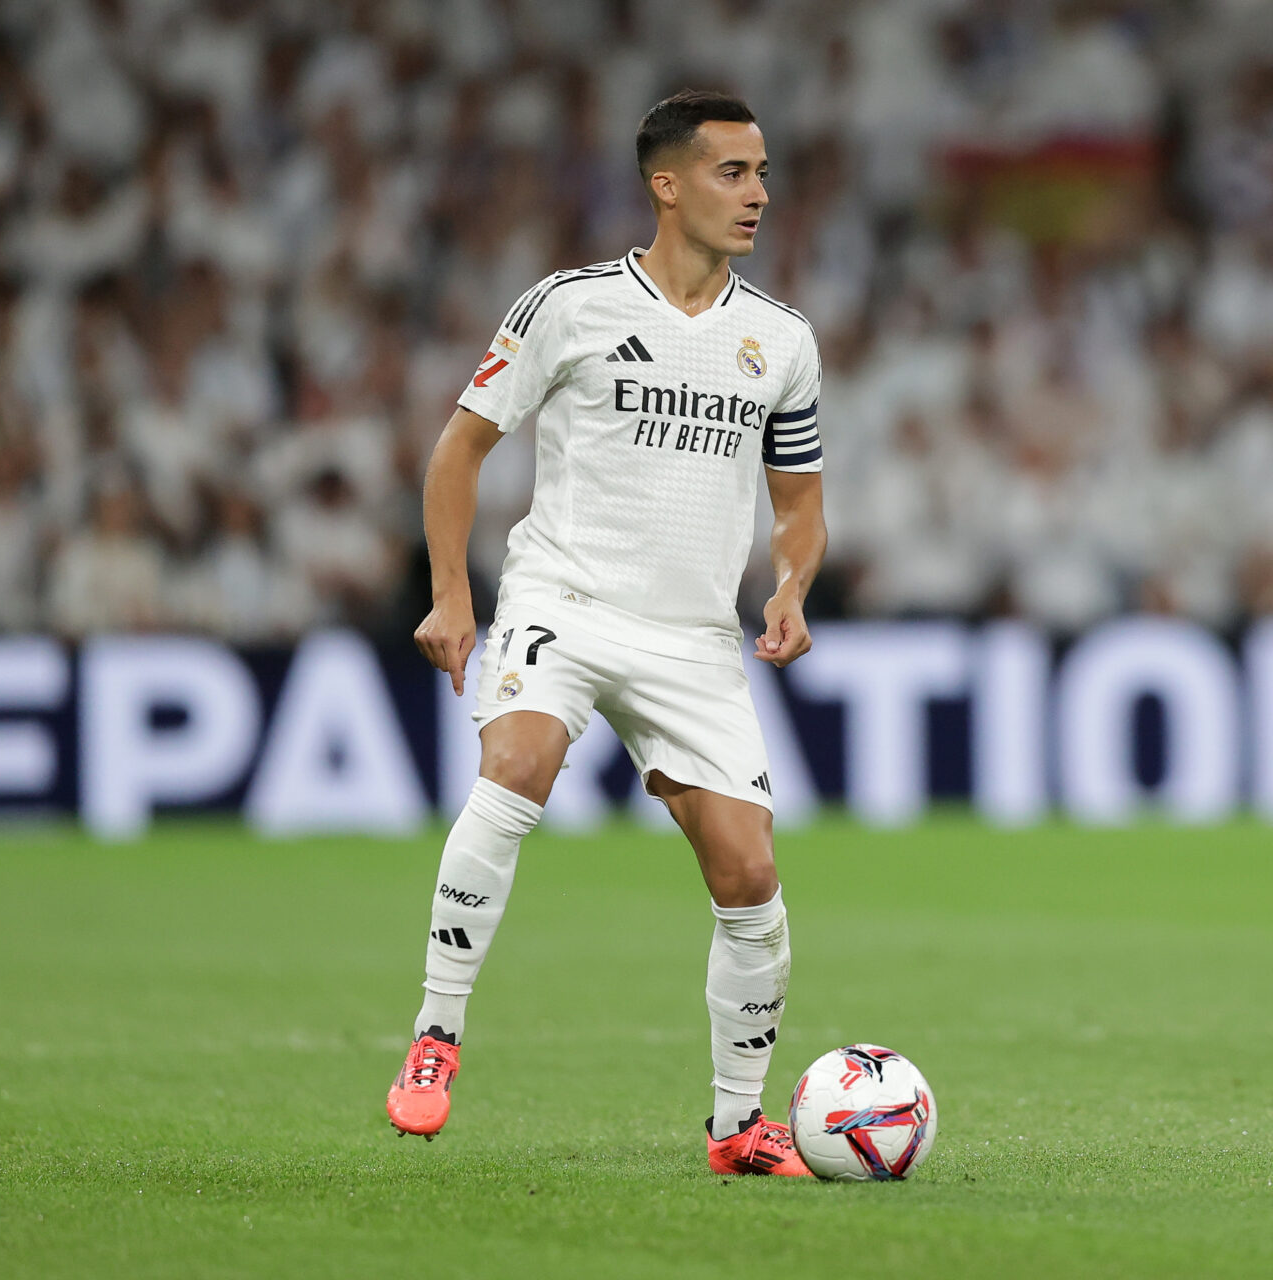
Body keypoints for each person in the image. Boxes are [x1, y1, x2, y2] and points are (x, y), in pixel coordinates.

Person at [385, 90, 826, 1178]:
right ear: (666, 184)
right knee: (519, 759)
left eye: (763, 171)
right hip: (565, 601)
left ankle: (736, 1128)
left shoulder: (780, 341)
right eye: (732, 171)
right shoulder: (567, 306)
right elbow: (458, 449)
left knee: (749, 873)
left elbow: (802, 501)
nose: (758, 193)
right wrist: (453, 593)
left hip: (691, 638)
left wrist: (793, 585)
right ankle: (437, 1033)